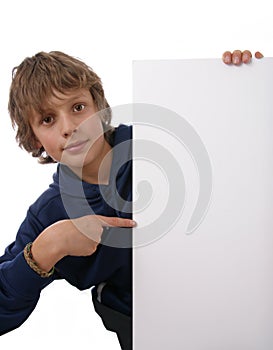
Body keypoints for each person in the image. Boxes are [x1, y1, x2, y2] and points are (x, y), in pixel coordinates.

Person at [0, 49, 263, 349]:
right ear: (34, 138)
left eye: (78, 107)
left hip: (234, 304)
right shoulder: (50, 215)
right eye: (47, 119)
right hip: (145, 331)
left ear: (99, 106)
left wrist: (241, 82)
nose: (69, 127)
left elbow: (240, 152)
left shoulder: (163, 146)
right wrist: (46, 249)